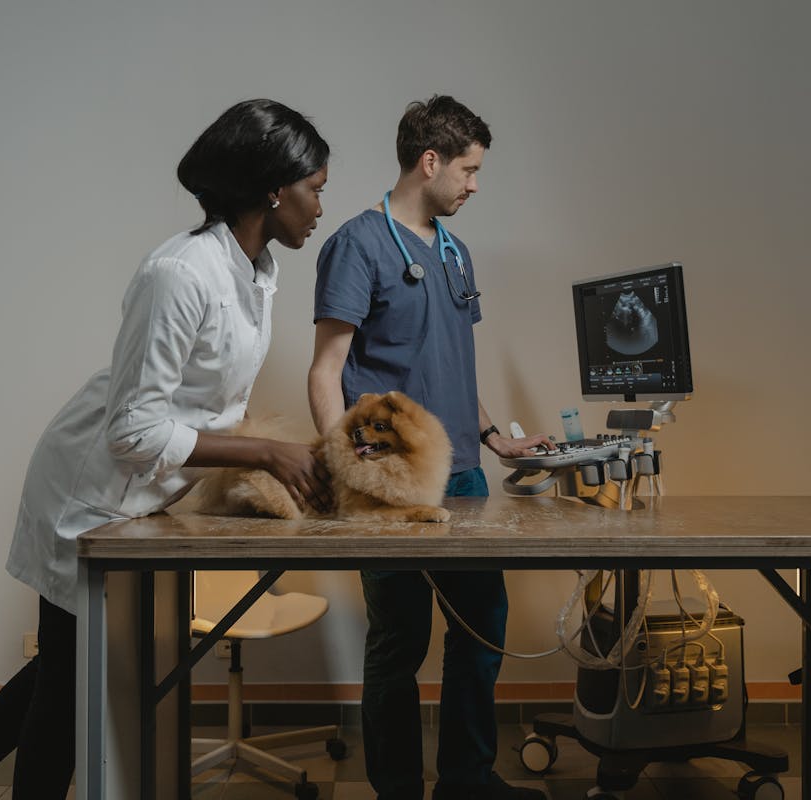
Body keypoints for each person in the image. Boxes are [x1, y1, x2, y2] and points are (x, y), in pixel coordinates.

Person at [0, 98, 332, 800]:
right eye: (315, 188)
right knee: (68, 689)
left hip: (139, 494)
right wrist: (262, 454)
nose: (319, 207)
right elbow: (132, 429)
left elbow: (205, 402)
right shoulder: (179, 272)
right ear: (273, 190)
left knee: (60, 670)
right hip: (89, 491)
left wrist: (267, 457)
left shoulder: (255, 271)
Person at [308, 95, 554, 800]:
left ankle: (467, 782)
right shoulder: (357, 245)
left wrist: (495, 438)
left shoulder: (454, 251)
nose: (474, 185)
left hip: (464, 476)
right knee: (399, 641)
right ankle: (397, 790)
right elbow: (326, 369)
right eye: (468, 170)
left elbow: (450, 362)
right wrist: (344, 468)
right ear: (430, 161)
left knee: (481, 631)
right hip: (392, 485)